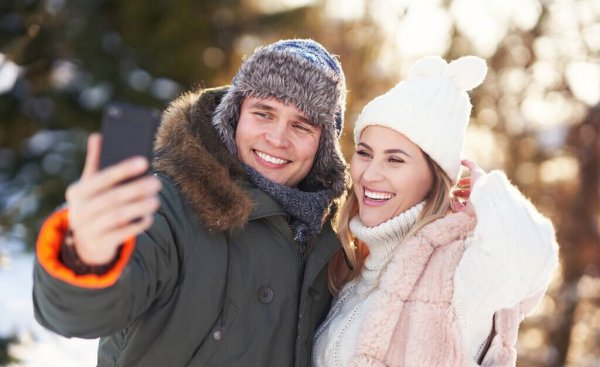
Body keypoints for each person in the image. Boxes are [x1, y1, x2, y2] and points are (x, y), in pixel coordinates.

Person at [33, 39, 348, 367]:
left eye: (301, 126)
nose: (277, 138)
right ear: (235, 114)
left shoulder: (331, 242)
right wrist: (84, 254)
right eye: (263, 113)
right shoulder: (167, 205)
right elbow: (78, 314)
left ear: (323, 146)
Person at [312, 55, 559, 366]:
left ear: (435, 176)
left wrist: (484, 190)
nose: (369, 174)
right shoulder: (349, 266)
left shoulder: (454, 273)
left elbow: (531, 255)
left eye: (395, 159)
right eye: (365, 153)